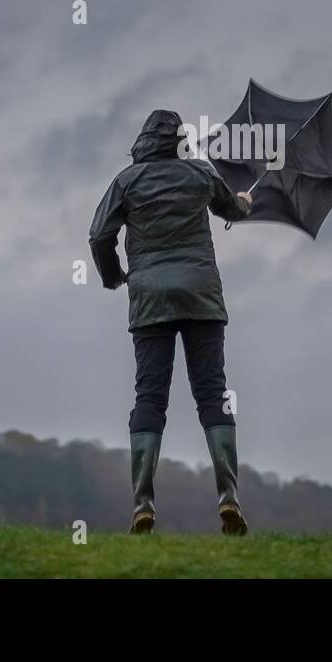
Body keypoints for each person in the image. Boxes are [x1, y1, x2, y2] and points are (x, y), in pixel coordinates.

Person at [89, 109, 253, 535]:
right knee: (213, 395)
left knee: (150, 399)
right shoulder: (200, 174)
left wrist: (113, 277)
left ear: (142, 141)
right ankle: (228, 497)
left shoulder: (127, 180)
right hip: (201, 295)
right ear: (181, 140)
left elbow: (98, 235)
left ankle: (143, 504)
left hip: (150, 301)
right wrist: (246, 203)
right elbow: (232, 208)